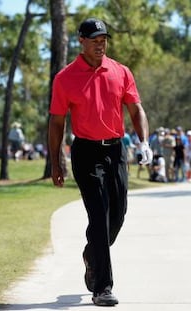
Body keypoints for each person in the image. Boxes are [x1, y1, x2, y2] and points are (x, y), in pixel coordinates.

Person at [48, 18, 153, 307]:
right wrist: (56, 162)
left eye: (103, 38)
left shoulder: (120, 71)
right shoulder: (65, 78)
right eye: (94, 39)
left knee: (117, 216)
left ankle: (92, 254)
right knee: (98, 215)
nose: (100, 43)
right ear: (81, 41)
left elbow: (136, 108)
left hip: (116, 151)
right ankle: (102, 288)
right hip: (85, 153)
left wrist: (143, 142)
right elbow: (57, 123)